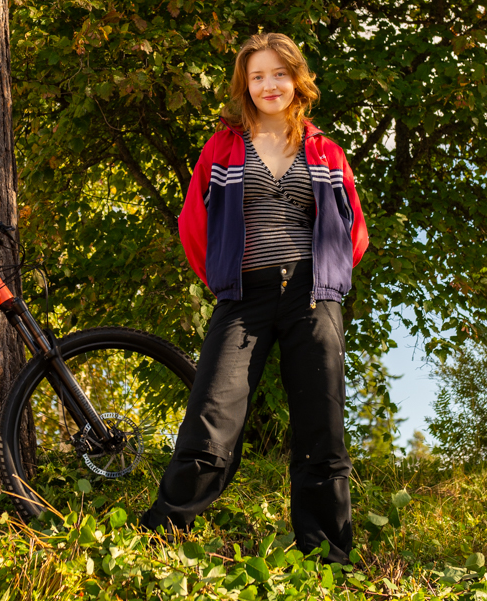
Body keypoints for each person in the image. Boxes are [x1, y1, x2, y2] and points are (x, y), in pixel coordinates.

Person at [141, 32, 369, 565]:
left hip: (313, 297)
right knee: (212, 413)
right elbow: (193, 224)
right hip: (244, 295)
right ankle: (162, 533)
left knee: (321, 424)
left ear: (297, 80)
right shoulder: (223, 146)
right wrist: (224, 279)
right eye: (258, 75)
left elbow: (352, 227)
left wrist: (330, 276)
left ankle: (327, 553)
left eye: (279, 74)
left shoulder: (325, 151)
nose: (270, 84)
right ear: (245, 83)